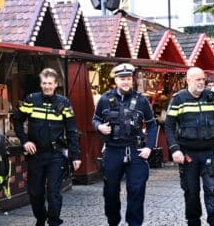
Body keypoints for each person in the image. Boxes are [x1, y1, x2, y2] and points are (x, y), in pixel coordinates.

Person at [13, 68, 82, 226]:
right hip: (35, 154)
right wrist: (24, 141)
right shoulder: (31, 100)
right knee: (35, 192)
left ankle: (54, 222)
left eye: (50, 83)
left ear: (56, 84)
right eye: (44, 83)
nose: (47, 86)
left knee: (53, 191)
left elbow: (71, 131)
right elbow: (17, 121)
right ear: (40, 83)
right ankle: (40, 218)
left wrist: (76, 156)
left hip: (56, 154)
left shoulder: (64, 103)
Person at [165, 67, 214, 226]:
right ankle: (193, 223)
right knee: (191, 193)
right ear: (188, 80)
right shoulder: (178, 99)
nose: (202, 82)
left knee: (212, 190)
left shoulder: (212, 96)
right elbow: (169, 126)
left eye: (203, 79)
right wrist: (175, 149)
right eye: (198, 80)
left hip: (210, 152)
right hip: (188, 155)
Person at [92, 63, 157, 226]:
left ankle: (134, 223)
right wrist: (99, 127)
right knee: (111, 192)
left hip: (135, 151)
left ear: (132, 80)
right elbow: (95, 119)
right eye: (122, 79)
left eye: (128, 78)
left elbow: (152, 124)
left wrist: (149, 147)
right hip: (112, 151)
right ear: (116, 80)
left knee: (136, 190)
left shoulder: (142, 101)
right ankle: (113, 221)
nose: (126, 82)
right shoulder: (105, 99)